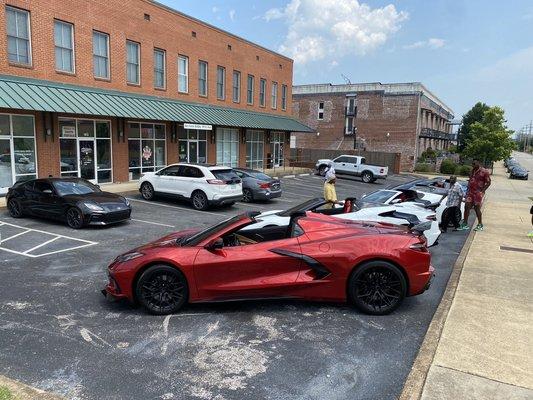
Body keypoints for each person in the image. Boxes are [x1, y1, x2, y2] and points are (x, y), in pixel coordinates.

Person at [458, 159, 491, 231]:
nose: (472, 165)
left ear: (478, 163)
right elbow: (470, 180)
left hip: (478, 193)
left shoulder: (484, 171)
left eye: (474, 163)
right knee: (467, 207)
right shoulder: (472, 171)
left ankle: (480, 224)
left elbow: (488, 182)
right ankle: (465, 224)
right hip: (470, 193)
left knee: (477, 209)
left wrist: (482, 191)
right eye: (472, 164)